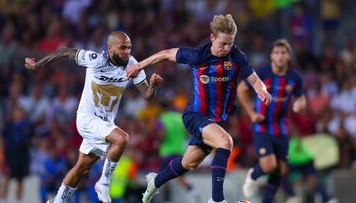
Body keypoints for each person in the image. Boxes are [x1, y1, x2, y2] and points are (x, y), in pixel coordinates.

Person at [127, 14, 272, 203]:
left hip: (215, 120)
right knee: (225, 142)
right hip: (195, 115)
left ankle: (156, 180)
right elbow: (165, 54)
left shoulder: (236, 56)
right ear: (212, 37)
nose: (227, 48)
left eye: (230, 43)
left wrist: (262, 91)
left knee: (189, 163)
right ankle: (217, 200)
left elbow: (254, 79)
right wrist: (139, 65)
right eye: (223, 43)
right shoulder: (198, 56)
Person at [24, 31, 163, 203]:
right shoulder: (96, 59)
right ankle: (103, 184)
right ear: (110, 48)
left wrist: (154, 85)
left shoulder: (132, 65)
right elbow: (65, 51)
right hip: (87, 119)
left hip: (104, 123)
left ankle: (58, 200)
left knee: (82, 168)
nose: (127, 51)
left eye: (129, 47)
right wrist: (38, 64)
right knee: (122, 139)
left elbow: (147, 95)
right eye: (122, 48)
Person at [237, 39, 307, 203]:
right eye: (277, 53)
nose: (280, 56)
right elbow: (241, 90)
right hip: (262, 126)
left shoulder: (294, 77)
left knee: (281, 169)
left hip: (281, 128)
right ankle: (253, 174)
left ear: (288, 56)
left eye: (283, 53)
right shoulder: (262, 73)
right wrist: (252, 113)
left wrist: (299, 104)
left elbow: (301, 98)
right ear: (271, 56)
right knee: (269, 165)